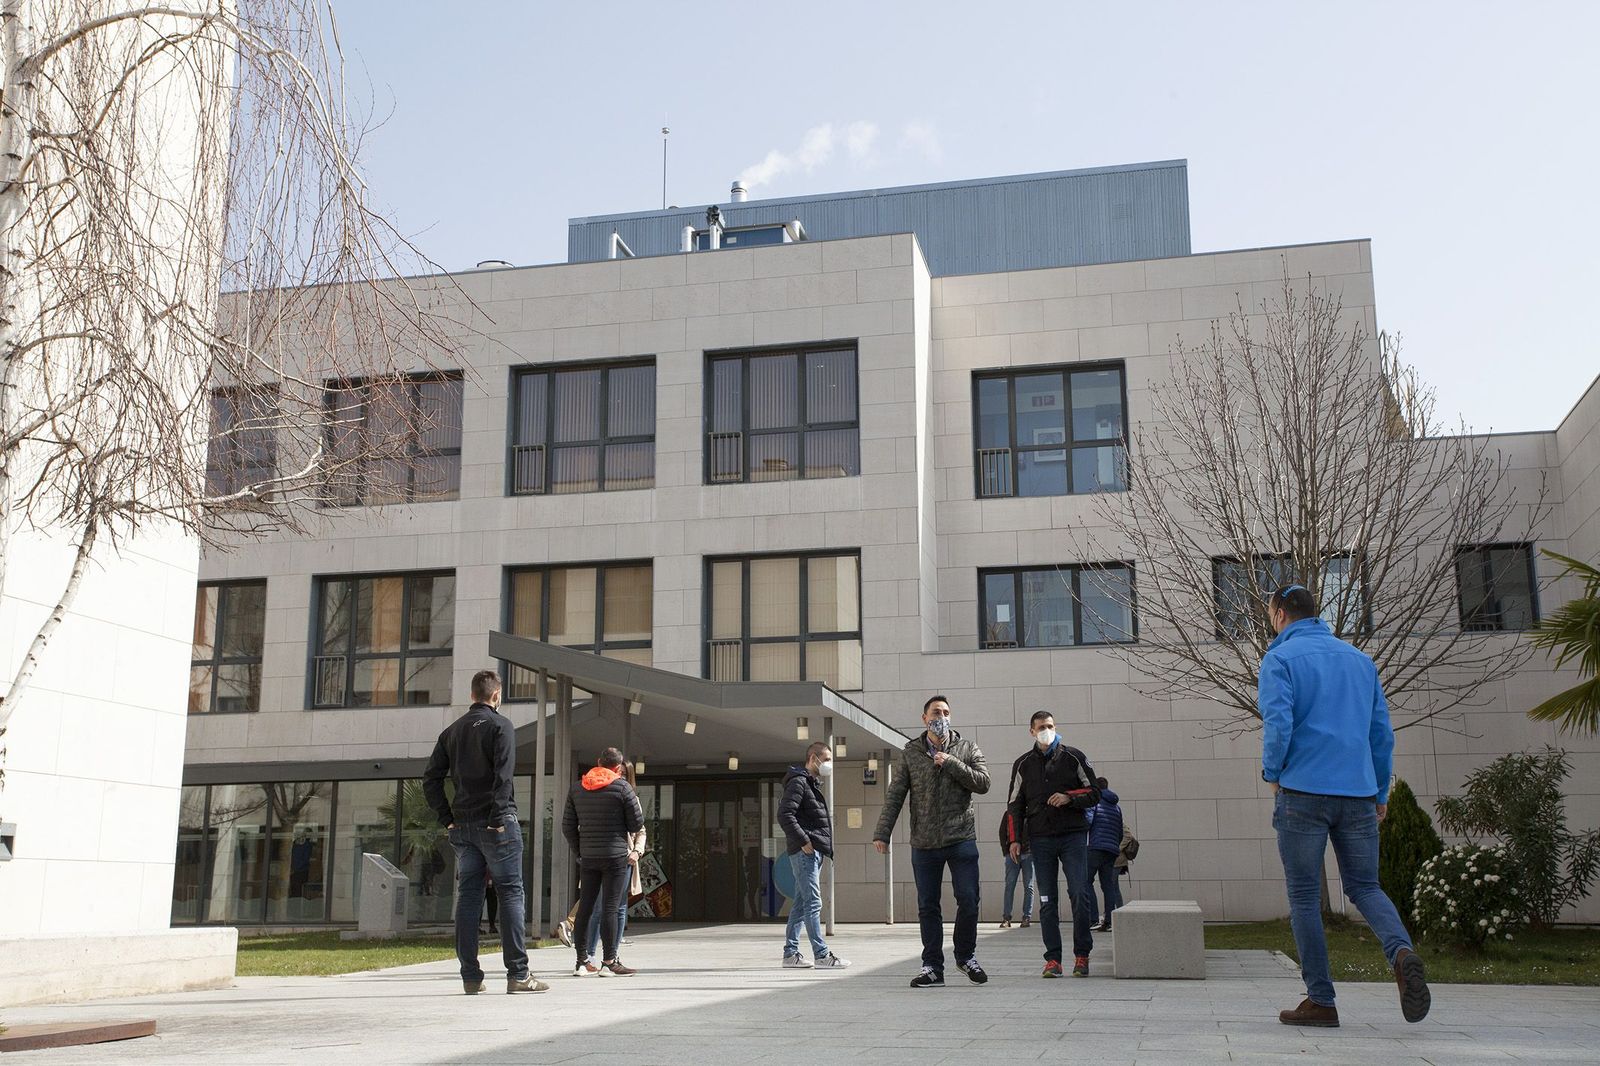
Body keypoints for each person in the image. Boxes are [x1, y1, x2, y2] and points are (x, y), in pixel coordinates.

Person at [1260, 584, 1430, 1027]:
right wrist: (1380, 792)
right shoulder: (1361, 662)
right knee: (1365, 886)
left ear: (1280, 615)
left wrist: (1272, 774)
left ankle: (1321, 1001)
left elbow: (1278, 723)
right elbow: (1381, 733)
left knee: (1302, 896)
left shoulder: (1279, 659)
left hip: (1302, 793)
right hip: (1357, 793)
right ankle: (1402, 951)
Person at [422, 670, 546, 995]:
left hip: (462, 827)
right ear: (496, 696)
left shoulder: (451, 732)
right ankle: (518, 974)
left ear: (473, 695)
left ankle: (470, 977)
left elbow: (430, 779)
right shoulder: (500, 725)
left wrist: (447, 818)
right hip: (497, 824)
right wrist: (497, 816)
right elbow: (504, 775)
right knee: (510, 893)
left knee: (469, 897)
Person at [873, 695, 991, 988]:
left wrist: (951, 762)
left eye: (946, 712)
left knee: (969, 899)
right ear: (924, 718)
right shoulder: (911, 752)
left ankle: (965, 956)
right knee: (928, 906)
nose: (942, 716)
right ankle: (932, 967)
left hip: (960, 836)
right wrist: (882, 832)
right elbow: (896, 793)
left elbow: (983, 783)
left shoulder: (967, 747)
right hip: (924, 841)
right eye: (936, 712)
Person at [1006, 711, 1100, 978]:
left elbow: (1095, 791)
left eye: (1050, 726)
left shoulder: (1074, 757)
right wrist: (1014, 839)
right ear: (1032, 731)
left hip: (1072, 836)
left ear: (1055, 727)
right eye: (1040, 727)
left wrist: (1070, 797)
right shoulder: (1022, 764)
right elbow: (1014, 805)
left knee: (1079, 893)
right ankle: (1053, 959)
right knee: (1047, 900)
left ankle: (1082, 955)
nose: (1046, 730)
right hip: (1041, 839)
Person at [562, 746, 644, 978]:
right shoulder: (622, 787)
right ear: (618, 768)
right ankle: (609, 961)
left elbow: (567, 825)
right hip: (616, 856)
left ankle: (581, 962)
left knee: (586, 907)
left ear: (598, 762)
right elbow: (637, 824)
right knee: (610, 907)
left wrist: (580, 850)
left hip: (588, 857)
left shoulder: (577, 788)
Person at [778, 741, 851, 969]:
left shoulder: (809, 783)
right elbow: (784, 814)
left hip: (811, 852)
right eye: (826, 759)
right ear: (813, 759)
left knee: (801, 903)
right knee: (813, 902)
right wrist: (804, 841)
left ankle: (790, 955)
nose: (828, 764)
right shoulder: (799, 782)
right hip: (805, 852)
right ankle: (822, 955)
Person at [1085, 777, 1123, 932]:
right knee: (1108, 886)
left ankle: (1093, 919)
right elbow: (1120, 831)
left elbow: (1087, 822)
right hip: (1112, 850)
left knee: (1086, 881)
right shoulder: (1117, 807)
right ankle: (1109, 921)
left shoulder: (1094, 802)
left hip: (1095, 847)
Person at [998, 807, 1032, 928]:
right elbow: (1002, 832)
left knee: (1028, 886)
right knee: (1010, 885)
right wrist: (1006, 852)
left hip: (1028, 854)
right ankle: (1006, 918)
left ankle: (1026, 917)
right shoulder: (1008, 814)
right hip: (1012, 855)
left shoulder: (1031, 813)